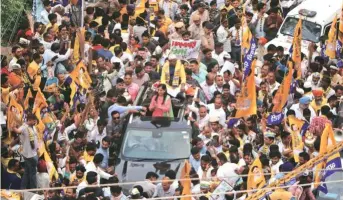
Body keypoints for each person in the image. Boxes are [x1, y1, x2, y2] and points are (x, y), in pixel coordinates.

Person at [10, 113, 38, 189]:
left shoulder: (32, 126)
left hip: (33, 153)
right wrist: (13, 127)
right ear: (30, 120)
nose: (35, 122)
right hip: (30, 155)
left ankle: (23, 188)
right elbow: (18, 131)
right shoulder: (24, 127)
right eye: (34, 121)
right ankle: (34, 190)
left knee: (27, 173)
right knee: (32, 174)